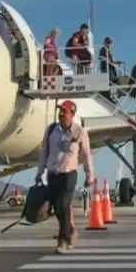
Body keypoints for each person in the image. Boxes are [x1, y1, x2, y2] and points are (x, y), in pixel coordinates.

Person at [35, 100, 94, 254]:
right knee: (57, 207)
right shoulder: (51, 130)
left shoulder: (80, 132)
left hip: (69, 174)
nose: (61, 114)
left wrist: (89, 175)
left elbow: (86, 155)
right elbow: (44, 152)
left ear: (72, 114)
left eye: (65, 111)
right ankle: (71, 230)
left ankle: (63, 240)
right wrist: (39, 173)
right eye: (60, 110)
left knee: (63, 204)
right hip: (53, 173)